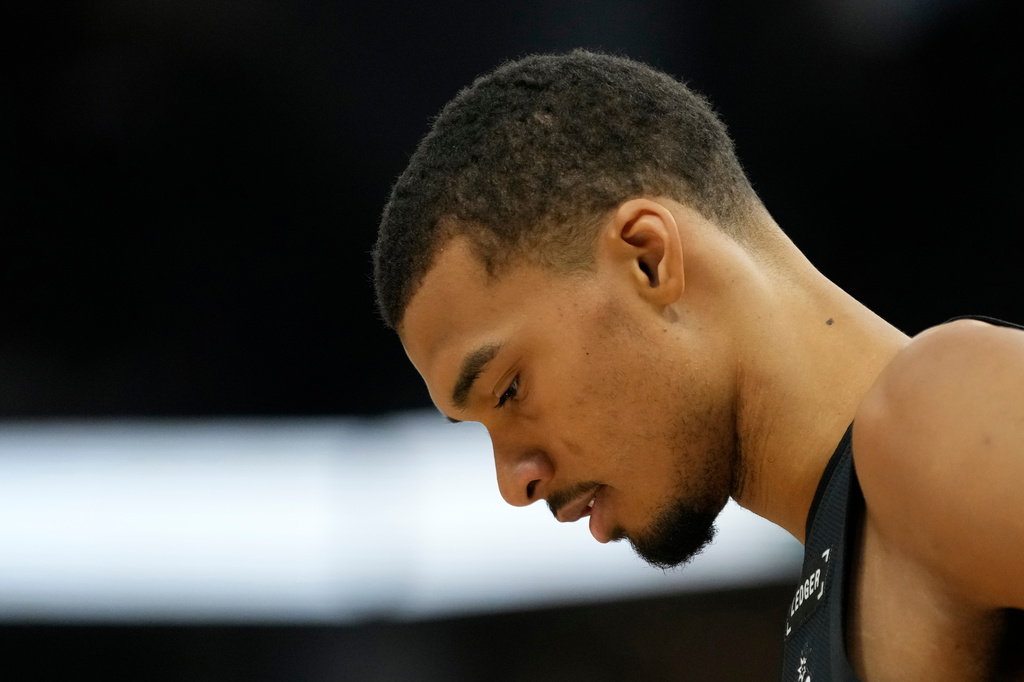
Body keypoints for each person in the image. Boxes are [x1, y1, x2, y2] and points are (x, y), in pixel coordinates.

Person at [372, 50, 1023, 681]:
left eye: (509, 388)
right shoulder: (850, 572)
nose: (514, 485)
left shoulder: (938, 410)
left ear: (648, 259)